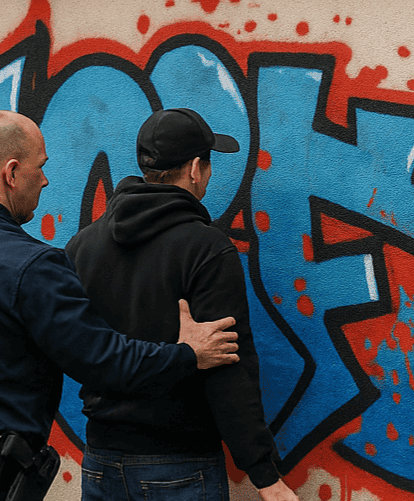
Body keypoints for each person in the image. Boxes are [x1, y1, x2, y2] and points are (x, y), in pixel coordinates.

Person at [0, 109, 241, 500]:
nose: (45, 180)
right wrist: (187, 354)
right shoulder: (29, 265)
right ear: (11, 174)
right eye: (39, 167)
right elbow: (105, 361)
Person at [66, 108, 298, 501]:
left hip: (100, 460)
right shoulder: (207, 249)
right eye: (208, 165)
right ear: (194, 169)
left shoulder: (82, 246)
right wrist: (265, 476)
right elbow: (228, 369)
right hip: (177, 466)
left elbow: (71, 347)